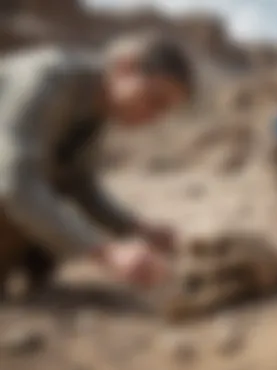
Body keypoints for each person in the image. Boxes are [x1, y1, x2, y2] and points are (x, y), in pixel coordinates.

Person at [0, 32, 195, 294]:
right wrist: (106, 253)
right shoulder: (47, 80)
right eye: (154, 100)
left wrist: (137, 229)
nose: (154, 117)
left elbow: (80, 185)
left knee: (53, 236)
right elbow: (15, 182)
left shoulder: (98, 108)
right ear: (125, 66)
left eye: (164, 110)